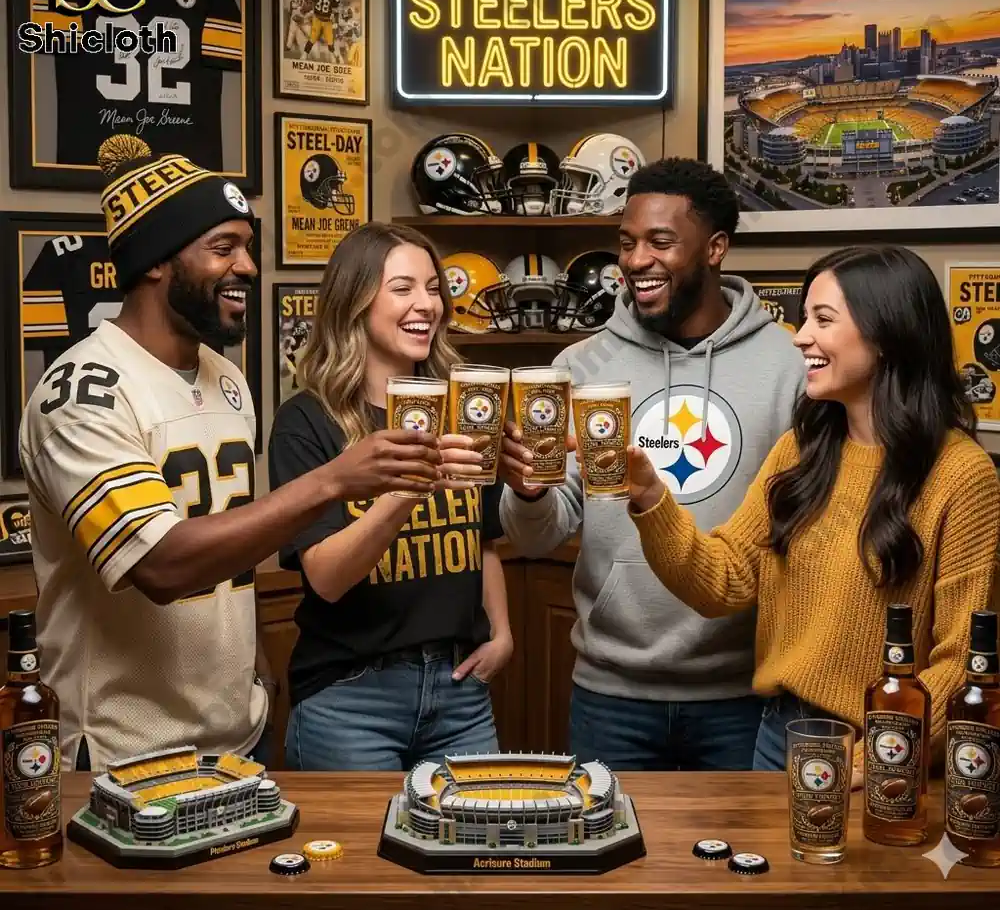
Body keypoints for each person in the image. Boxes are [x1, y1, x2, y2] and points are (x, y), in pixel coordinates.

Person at [18, 137, 444, 774]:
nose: (247, 266)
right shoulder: (82, 393)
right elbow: (160, 565)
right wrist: (331, 482)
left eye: (248, 247)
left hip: (232, 737)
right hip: (120, 751)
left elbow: (234, 552)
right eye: (223, 248)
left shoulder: (226, 377)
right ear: (157, 262)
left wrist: (258, 679)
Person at [626, 244, 1000, 780]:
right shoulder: (800, 451)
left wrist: (877, 756)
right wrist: (648, 496)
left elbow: (963, 660)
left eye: (823, 319)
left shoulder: (962, 476)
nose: (800, 336)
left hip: (885, 752)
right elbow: (722, 580)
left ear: (888, 336)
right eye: (805, 318)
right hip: (779, 734)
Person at [499, 157, 804, 770]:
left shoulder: (789, 365)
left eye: (660, 242)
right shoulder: (577, 366)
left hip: (743, 691)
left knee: (738, 865)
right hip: (611, 692)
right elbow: (542, 532)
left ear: (715, 248)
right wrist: (530, 494)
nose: (636, 260)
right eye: (627, 242)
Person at [268, 221, 512, 771]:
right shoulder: (306, 421)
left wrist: (502, 633)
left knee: (476, 848)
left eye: (433, 288)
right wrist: (406, 490)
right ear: (354, 302)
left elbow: (485, 539)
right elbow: (327, 579)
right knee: (356, 859)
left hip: (460, 692)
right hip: (351, 697)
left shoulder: (467, 404)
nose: (425, 304)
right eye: (402, 289)